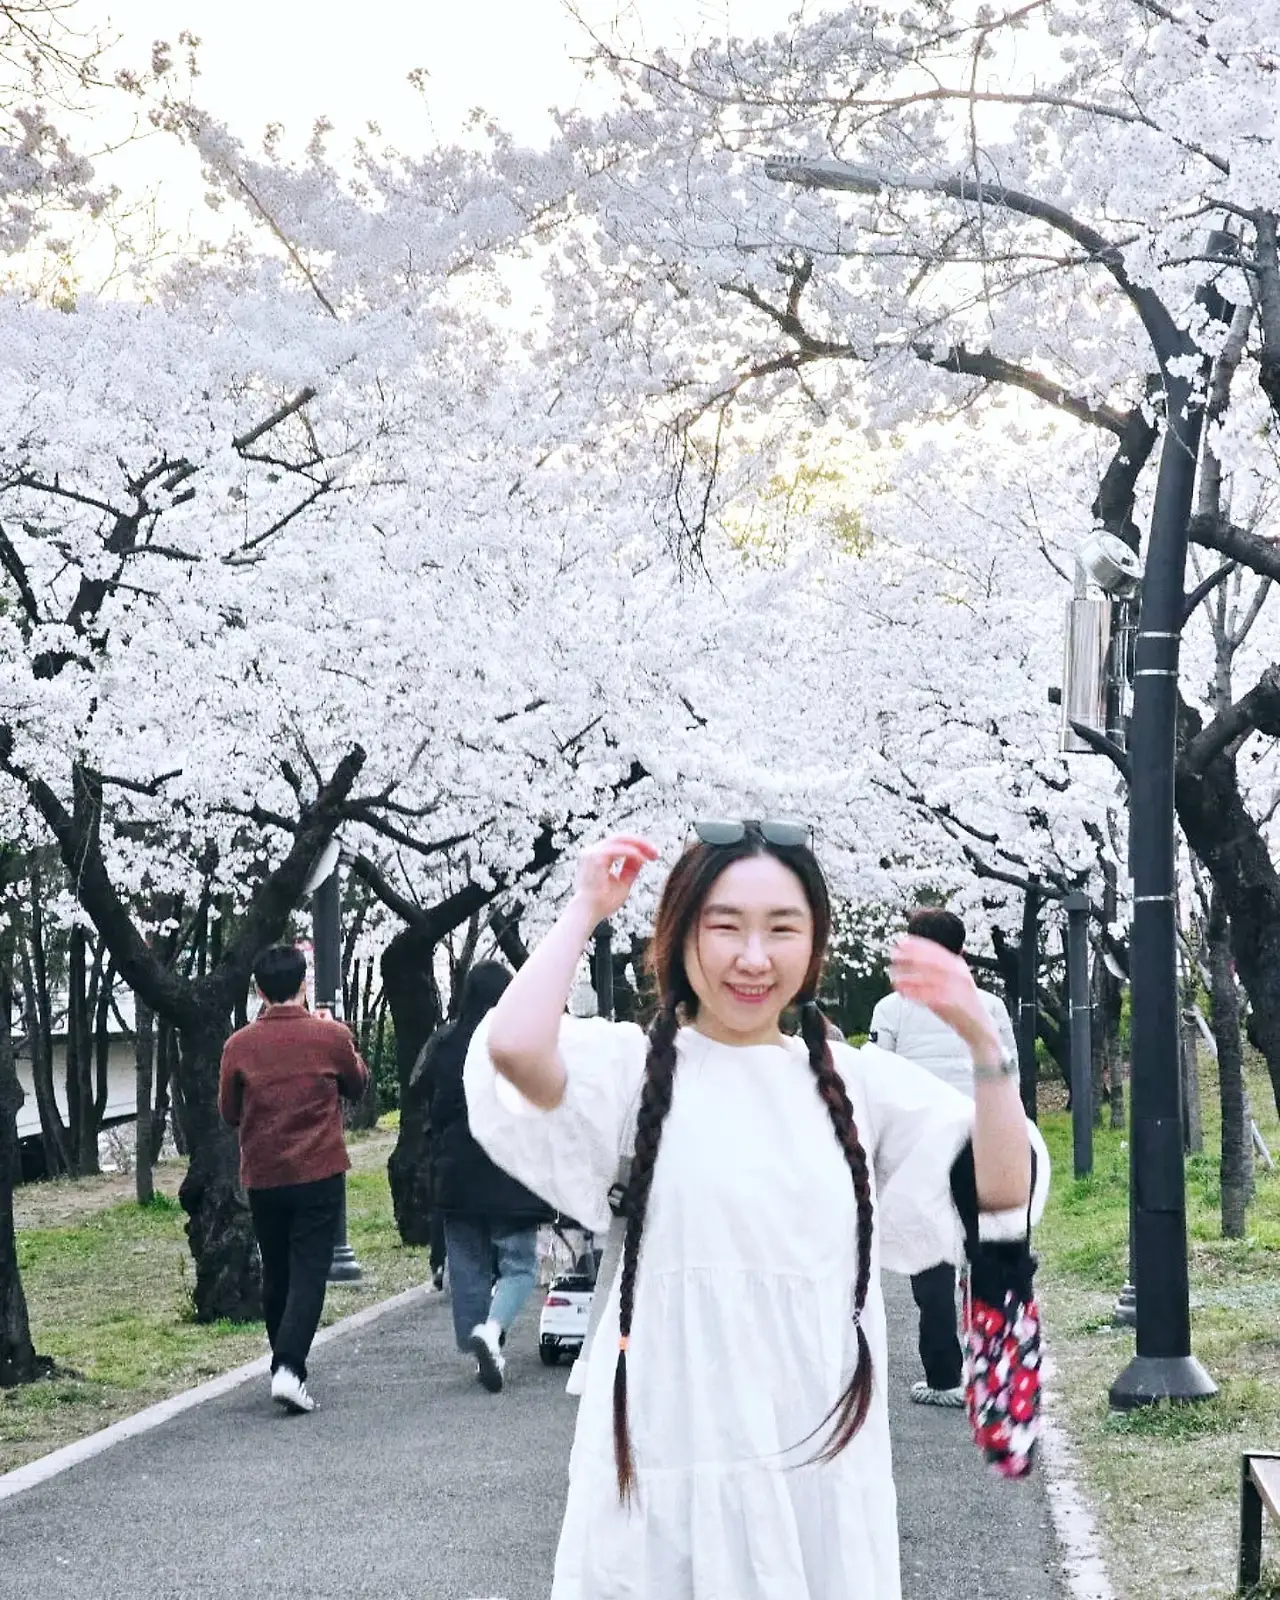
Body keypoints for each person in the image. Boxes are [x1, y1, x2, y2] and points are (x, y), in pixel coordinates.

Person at [463, 823, 1049, 1600]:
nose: (753, 957)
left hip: (819, 1453)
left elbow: (1000, 1192)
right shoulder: (633, 1070)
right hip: (665, 1449)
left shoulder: (858, 1085)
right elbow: (513, 1048)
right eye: (725, 926)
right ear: (681, 937)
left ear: (814, 945)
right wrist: (584, 909)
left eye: (782, 929)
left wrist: (983, 1044)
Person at [868, 906, 1019, 1408]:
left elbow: (878, 1080)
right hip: (981, 1140)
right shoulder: (990, 1006)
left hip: (919, 1149)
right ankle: (994, 1372)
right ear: (961, 950)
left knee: (930, 1257)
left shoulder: (891, 1009)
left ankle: (944, 1378)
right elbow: (1008, 1072)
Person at [218, 944, 369, 1415]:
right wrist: (339, 1039)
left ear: (259, 991)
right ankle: (288, 1367)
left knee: (278, 1271)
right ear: (304, 984)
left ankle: (284, 1365)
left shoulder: (238, 1045)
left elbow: (228, 1111)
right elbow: (358, 1084)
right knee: (308, 1272)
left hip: (264, 1175)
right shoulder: (330, 1036)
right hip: (318, 1170)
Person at [418, 960, 552, 1393]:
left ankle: (475, 1339)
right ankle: (492, 1332)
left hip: (458, 1173)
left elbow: (432, 1106)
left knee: (467, 1265)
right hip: (510, 1170)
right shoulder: (521, 1042)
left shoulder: (446, 1043)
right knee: (518, 1265)